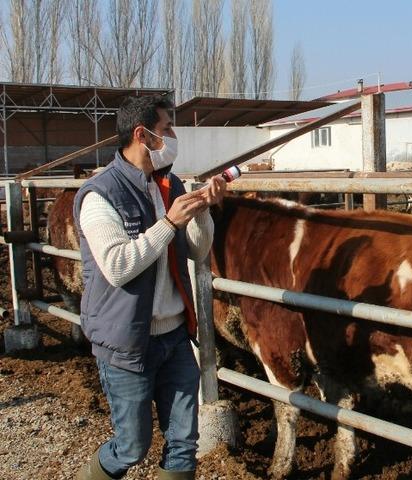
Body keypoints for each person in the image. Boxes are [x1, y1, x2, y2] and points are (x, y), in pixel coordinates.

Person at [74, 95, 226, 480]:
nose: (173, 136)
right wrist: (170, 223)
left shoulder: (169, 184)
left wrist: (202, 213)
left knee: (184, 443)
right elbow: (117, 266)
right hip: (127, 343)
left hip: (174, 336)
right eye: (166, 129)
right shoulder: (100, 194)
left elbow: (197, 250)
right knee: (132, 447)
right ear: (142, 135)